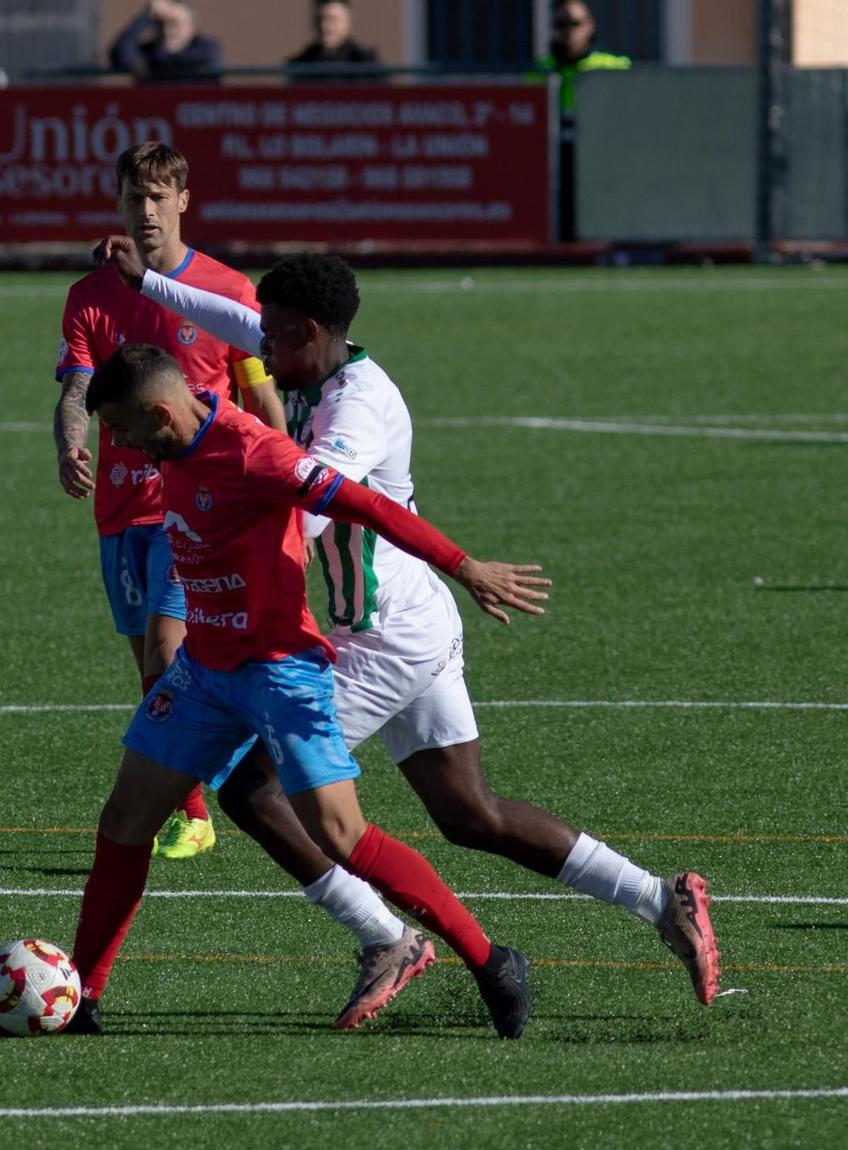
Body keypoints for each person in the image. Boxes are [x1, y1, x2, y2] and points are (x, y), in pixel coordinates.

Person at [103, 245, 723, 1019]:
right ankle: (662, 898)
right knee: (470, 814)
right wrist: (150, 284)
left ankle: (384, 936)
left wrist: (230, 470)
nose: (256, 351)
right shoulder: (308, 359)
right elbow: (229, 317)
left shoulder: (358, 406)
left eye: (272, 337)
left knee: (254, 789)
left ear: (309, 330)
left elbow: (309, 488)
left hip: (375, 639)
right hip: (412, 619)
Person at [64, 341, 552, 1039]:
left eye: (124, 429)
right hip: (204, 671)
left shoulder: (256, 454)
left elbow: (369, 505)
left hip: (280, 673)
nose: (121, 445)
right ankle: (82, 996)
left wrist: (464, 565)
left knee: (342, 833)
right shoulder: (169, 448)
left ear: (159, 413)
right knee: (124, 820)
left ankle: (491, 959)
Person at [56, 143, 285, 864]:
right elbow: (75, 388)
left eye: (158, 197)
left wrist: (287, 489)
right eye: (134, 198)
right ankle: (198, 796)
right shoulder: (91, 295)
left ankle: (200, 809)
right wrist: (69, 445)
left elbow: (264, 397)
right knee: (150, 666)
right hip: (120, 511)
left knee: (168, 650)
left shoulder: (225, 291)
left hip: (199, 507)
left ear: (184, 200)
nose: (146, 211)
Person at [537, 0, 631, 241]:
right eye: (561, 23)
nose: (568, 31)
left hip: (601, 160)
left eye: (574, 23)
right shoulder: (540, 71)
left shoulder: (613, 67)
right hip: (553, 161)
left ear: (589, 26)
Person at [108, 1, 221, 83]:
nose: (167, 30)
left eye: (175, 24)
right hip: (153, 112)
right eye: (160, 24)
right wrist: (146, 15)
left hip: (194, 112)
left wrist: (151, 64)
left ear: (191, 27)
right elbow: (119, 52)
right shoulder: (148, 51)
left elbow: (177, 60)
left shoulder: (207, 48)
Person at [285, 0, 381, 80]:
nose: (325, 26)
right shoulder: (301, 64)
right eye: (320, 19)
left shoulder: (367, 64)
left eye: (333, 20)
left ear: (348, 23)